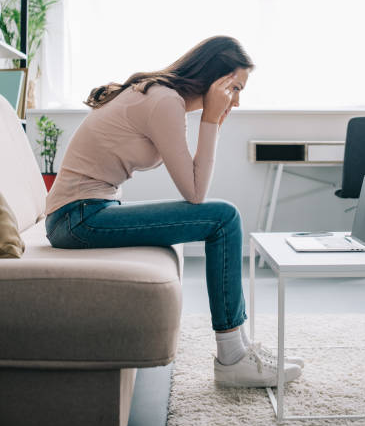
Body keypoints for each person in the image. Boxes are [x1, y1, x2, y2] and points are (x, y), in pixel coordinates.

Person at [45, 35, 303, 388]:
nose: (238, 101)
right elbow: (196, 193)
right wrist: (211, 121)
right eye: (235, 88)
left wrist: (213, 118)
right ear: (216, 81)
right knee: (222, 217)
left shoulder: (162, 96)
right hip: (77, 218)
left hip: (84, 213)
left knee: (222, 217)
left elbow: (192, 187)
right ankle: (233, 358)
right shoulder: (164, 101)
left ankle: (239, 347)